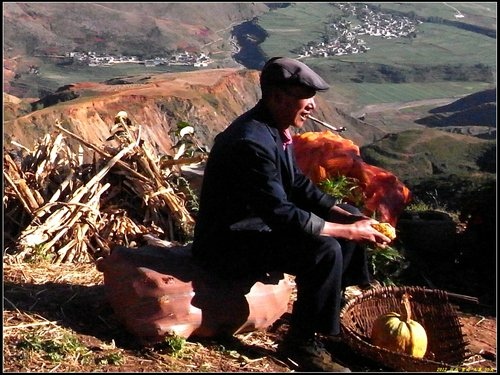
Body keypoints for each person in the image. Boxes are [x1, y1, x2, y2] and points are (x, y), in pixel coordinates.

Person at [191, 56, 391, 372]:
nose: (311, 105)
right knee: (324, 249)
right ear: (277, 97)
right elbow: (280, 213)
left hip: (258, 229)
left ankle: (331, 320)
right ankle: (301, 344)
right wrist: (345, 231)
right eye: (304, 97)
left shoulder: (274, 130)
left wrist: (343, 215)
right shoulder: (250, 142)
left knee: (347, 219)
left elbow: (296, 183)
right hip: (228, 244)